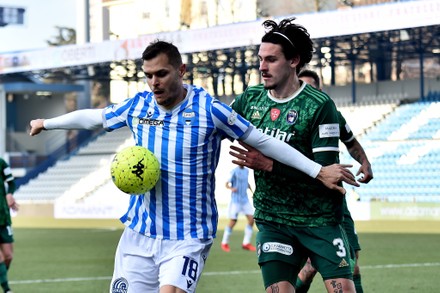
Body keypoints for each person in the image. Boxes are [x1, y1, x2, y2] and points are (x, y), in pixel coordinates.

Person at [29, 40, 358, 293]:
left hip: (187, 236)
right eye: (148, 76)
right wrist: (48, 122)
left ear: (181, 70)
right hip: (140, 233)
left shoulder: (210, 110)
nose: (154, 82)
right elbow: (97, 118)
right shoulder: (139, 105)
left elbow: (263, 140)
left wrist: (318, 169)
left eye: (161, 74)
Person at [229, 18, 358, 292]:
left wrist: (269, 165)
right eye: (261, 59)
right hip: (273, 218)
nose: (262, 67)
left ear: (294, 61)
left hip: (318, 219)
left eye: (271, 60)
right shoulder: (248, 101)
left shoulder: (319, 105)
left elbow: (325, 175)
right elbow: (213, 126)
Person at [293, 69, 372, 293]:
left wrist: (364, 162)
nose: (307, 94)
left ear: (320, 90)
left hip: (335, 202)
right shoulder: (290, 119)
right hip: (299, 204)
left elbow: (351, 141)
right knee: (307, 270)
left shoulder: (332, 114)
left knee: (353, 265)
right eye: (303, 88)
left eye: (312, 88)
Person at [221, 165, 256, 252]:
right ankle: (224, 243)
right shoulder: (234, 171)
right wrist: (231, 188)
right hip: (236, 200)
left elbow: (247, 183)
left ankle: (246, 243)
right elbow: (226, 183)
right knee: (233, 221)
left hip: (245, 200)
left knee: (251, 219)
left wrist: (252, 192)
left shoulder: (247, 171)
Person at [0, 157, 19, 293]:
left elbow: (11, 183)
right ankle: (7, 289)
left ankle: (2, 278)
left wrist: (10, 195)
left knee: (8, 256)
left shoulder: (1, 163)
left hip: (3, 217)